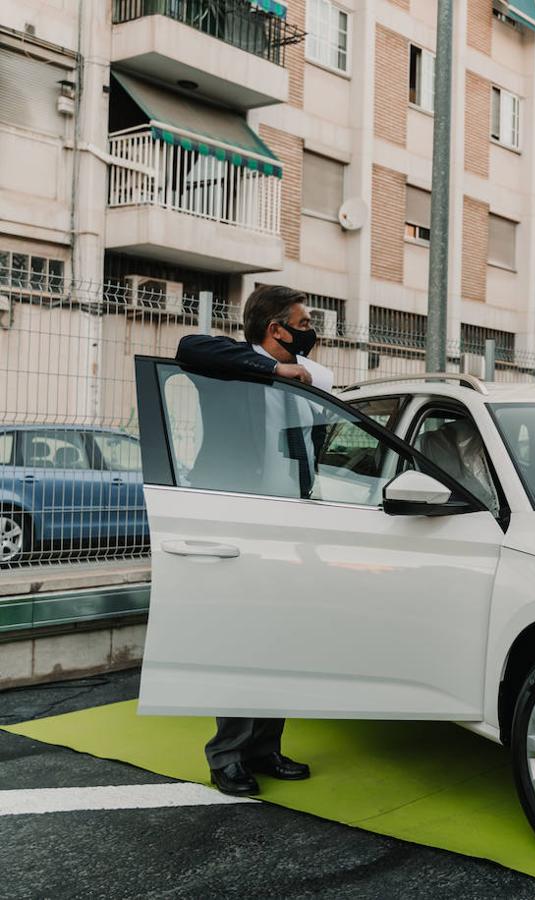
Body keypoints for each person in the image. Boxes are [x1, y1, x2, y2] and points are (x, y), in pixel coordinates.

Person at [175, 284, 329, 795]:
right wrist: (273, 368)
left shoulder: (309, 380)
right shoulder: (234, 364)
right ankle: (228, 756)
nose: (311, 332)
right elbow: (188, 349)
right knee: (240, 640)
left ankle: (266, 748)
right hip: (237, 524)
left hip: (289, 523)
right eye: (304, 323)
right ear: (275, 329)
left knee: (281, 640)